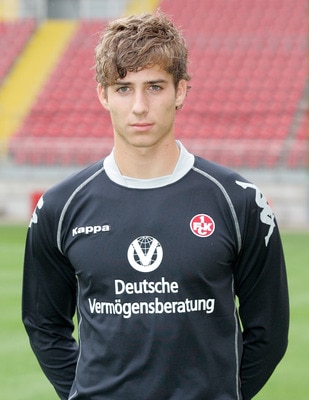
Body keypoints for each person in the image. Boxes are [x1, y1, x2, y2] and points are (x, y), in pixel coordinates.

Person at [22, 11, 289, 400]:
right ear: (103, 95)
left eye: (155, 87)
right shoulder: (60, 207)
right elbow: (44, 324)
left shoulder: (238, 200)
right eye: (124, 88)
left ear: (180, 91)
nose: (140, 107)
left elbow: (270, 331)